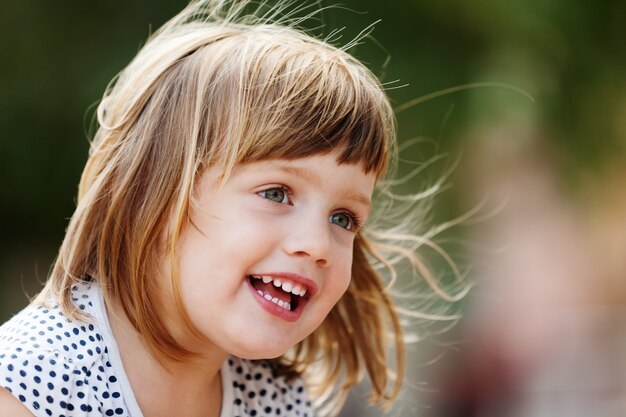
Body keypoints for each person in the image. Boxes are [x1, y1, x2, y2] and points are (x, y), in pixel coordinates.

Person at [0, 1, 455, 416]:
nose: (318, 245)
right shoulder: (31, 384)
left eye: (343, 218)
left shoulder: (281, 401)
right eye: (276, 193)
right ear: (152, 194)